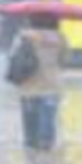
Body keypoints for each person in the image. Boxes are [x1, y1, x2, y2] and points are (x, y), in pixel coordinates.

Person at [10, 13, 68, 151]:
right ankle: (46, 143)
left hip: (28, 84)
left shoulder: (23, 37)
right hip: (51, 83)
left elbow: (13, 56)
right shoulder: (60, 38)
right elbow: (63, 59)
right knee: (48, 116)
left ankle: (31, 143)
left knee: (29, 117)